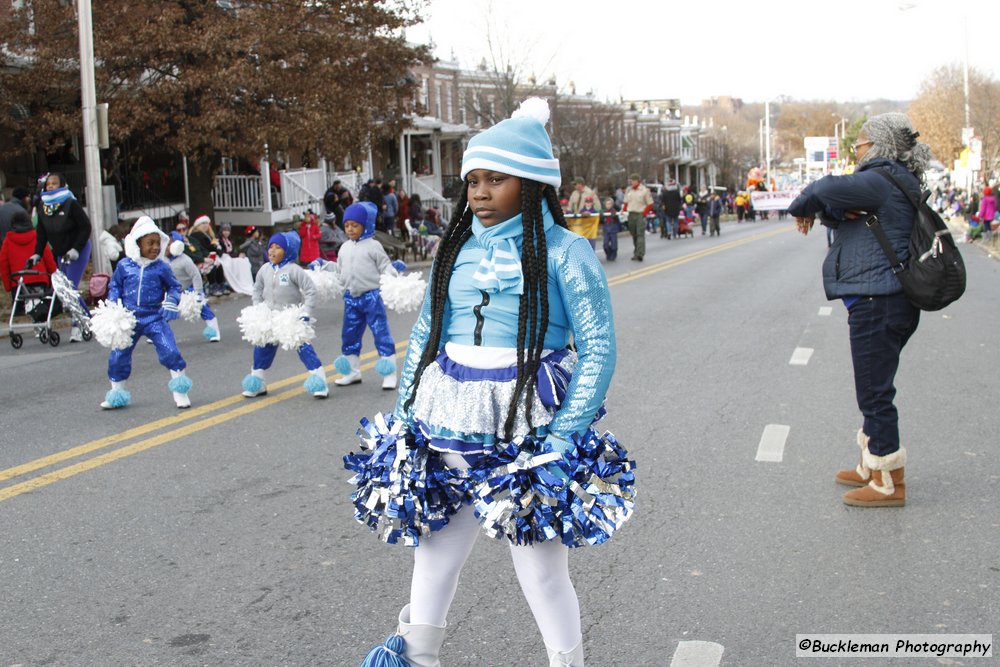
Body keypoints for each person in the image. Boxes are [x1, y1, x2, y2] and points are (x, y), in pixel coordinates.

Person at [353, 98, 629, 667]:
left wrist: (563, 437)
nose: (478, 192)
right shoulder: (457, 250)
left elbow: (598, 347)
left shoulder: (567, 252)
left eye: (494, 180)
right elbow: (427, 336)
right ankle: (417, 657)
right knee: (435, 549)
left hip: (527, 424)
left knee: (540, 566)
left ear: (530, 184)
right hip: (444, 416)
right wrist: (406, 414)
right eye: (472, 180)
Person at [788, 112, 933, 508]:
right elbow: (838, 208)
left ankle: (888, 483)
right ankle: (872, 463)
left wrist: (804, 206)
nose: (856, 153)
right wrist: (826, 210)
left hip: (879, 299)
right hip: (885, 298)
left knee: (874, 391)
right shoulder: (890, 180)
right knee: (874, 385)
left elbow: (824, 187)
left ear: (878, 146)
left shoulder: (877, 178)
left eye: (860, 146)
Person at [101, 216, 192, 410]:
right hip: (129, 319)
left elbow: (175, 288)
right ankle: (116, 393)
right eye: (150, 243)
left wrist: (170, 301)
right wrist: (113, 305)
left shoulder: (162, 267)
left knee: (170, 350)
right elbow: (115, 285)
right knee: (118, 355)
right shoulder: (124, 266)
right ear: (137, 244)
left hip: (154, 317)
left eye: (158, 243)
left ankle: (180, 391)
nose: (155, 248)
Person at [240, 231, 328, 399]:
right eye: (270, 247)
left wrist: (306, 312)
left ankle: (319, 382)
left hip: (290, 318)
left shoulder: (294, 270)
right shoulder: (264, 269)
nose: (272, 251)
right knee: (261, 349)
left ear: (288, 251)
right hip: (269, 317)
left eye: (278, 247)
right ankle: (258, 383)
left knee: (304, 349)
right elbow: (257, 289)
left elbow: (310, 291)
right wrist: (258, 308)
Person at [328, 201, 402, 390]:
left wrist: (393, 272)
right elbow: (339, 270)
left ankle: (389, 374)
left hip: (371, 297)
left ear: (366, 225)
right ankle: (352, 372)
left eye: (355, 225)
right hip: (351, 298)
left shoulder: (374, 245)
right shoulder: (344, 247)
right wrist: (324, 267)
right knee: (349, 335)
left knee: (381, 334)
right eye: (347, 225)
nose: (350, 229)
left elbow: (385, 266)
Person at [29, 172, 92, 342]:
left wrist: (76, 249)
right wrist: (37, 253)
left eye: (54, 183)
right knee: (63, 290)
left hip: (77, 251)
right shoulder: (43, 207)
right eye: (48, 184)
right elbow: (41, 234)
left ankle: (77, 327)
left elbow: (85, 227)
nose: (50, 186)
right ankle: (90, 321)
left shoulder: (70, 203)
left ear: (62, 186)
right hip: (60, 253)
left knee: (69, 288)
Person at [0, 210, 60, 323]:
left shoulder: (8, 240)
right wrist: (54, 275)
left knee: (24, 301)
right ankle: (40, 322)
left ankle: (34, 318)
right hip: (40, 278)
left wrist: (9, 285)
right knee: (42, 301)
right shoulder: (37, 236)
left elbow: (3, 263)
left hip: (19, 281)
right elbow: (48, 257)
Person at [166, 239, 221, 342]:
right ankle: (158, 333)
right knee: (165, 311)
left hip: (189, 289)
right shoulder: (163, 259)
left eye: (168, 245)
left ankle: (214, 332)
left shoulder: (185, 260)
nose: (164, 247)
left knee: (203, 309)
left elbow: (196, 275)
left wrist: (198, 293)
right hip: (173, 291)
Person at [622, 173, 653, 261]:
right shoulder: (628, 190)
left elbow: (650, 204)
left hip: (640, 214)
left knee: (640, 234)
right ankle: (636, 251)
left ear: (637, 181)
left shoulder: (644, 190)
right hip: (631, 214)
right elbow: (626, 202)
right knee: (634, 234)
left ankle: (640, 253)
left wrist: (644, 214)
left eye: (632, 181)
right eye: (629, 181)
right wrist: (623, 211)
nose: (630, 182)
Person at [601, 196, 621, 260]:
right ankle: (608, 254)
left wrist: (615, 215)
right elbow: (601, 221)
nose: (608, 205)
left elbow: (618, 220)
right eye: (607, 204)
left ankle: (613, 255)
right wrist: (601, 216)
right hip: (606, 229)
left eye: (609, 204)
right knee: (605, 244)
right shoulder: (603, 212)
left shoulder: (614, 211)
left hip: (613, 229)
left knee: (614, 245)